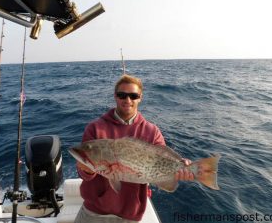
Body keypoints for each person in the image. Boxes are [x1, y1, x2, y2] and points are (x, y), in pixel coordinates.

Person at [74, 74, 194, 223]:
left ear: (140, 98)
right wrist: (86, 169)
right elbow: (84, 174)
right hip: (95, 211)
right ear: (115, 96)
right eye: (122, 95)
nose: (127, 100)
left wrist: (182, 166)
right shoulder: (95, 128)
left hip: (131, 215)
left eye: (133, 95)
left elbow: (163, 159)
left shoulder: (152, 131)